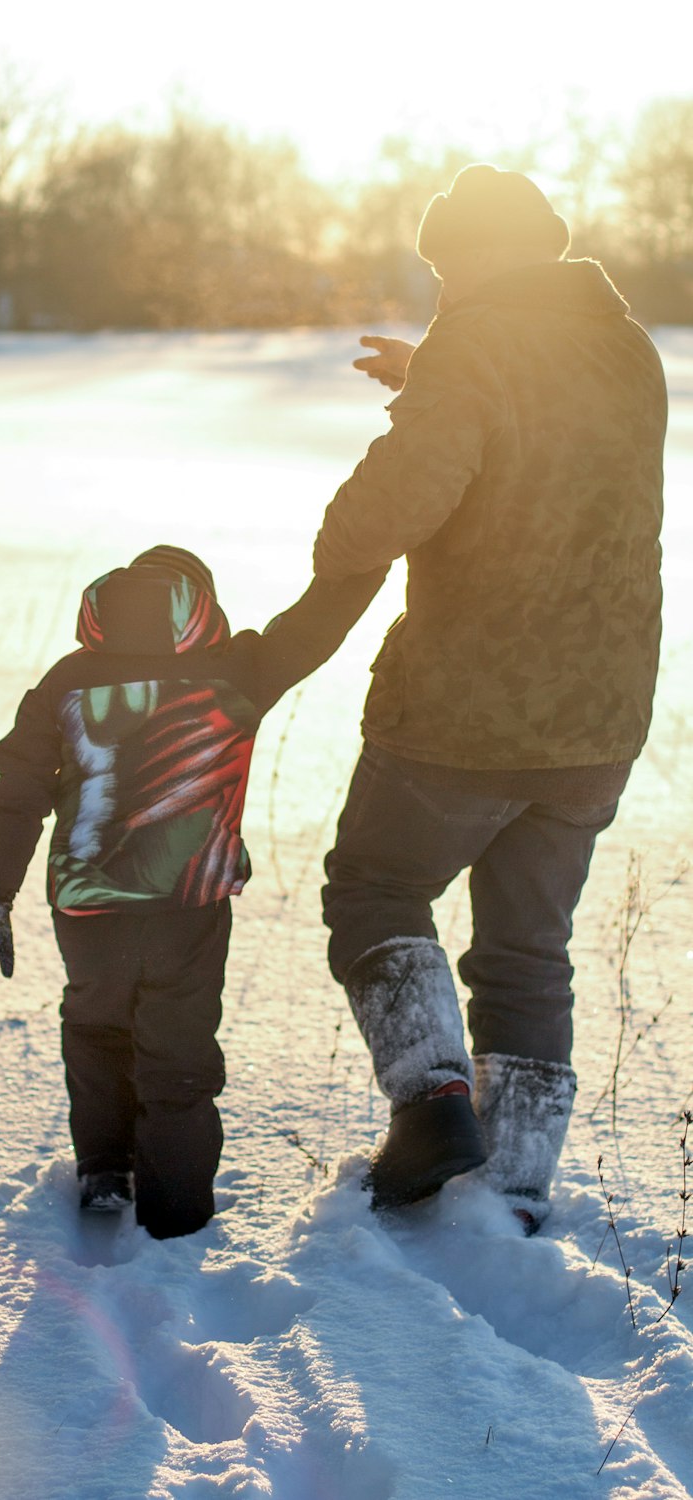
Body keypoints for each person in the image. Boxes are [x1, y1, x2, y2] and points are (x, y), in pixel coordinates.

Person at [313, 164, 668, 1232]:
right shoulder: (623, 346)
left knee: (372, 886)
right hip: (598, 723)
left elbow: (383, 515)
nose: (439, 283)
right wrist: (435, 374)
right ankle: (510, 1191)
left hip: (469, 713)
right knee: (526, 947)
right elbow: (544, 425)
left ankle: (430, 1108)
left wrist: (425, 401)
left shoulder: (473, 347)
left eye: (445, 262)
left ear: (476, 257)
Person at [0, 546, 385, 1240]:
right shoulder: (235, 672)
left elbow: (18, 790)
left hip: (87, 909)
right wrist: (378, 548)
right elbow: (316, 624)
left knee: (97, 1025)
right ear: (201, 606)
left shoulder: (67, 679)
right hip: (189, 906)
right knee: (177, 1057)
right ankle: (177, 1221)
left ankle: (104, 1169)